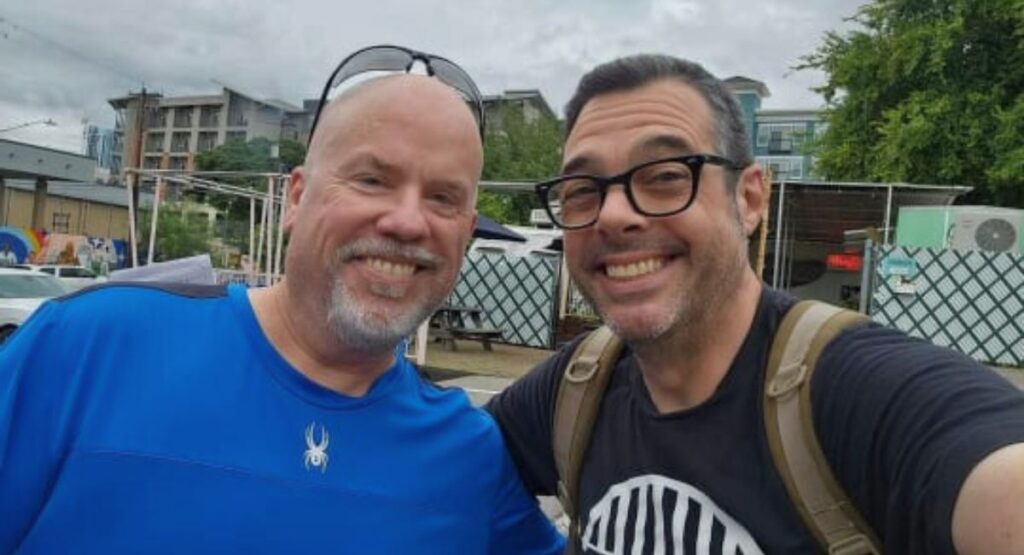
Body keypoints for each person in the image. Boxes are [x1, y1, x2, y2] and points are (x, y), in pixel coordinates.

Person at [0, 46, 564, 554]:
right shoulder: (86, 350)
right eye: (371, 180)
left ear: (466, 234)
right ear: (296, 198)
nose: (407, 221)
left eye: (442, 198)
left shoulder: (469, 457)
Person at [486, 53, 1024, 554]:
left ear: (748, 200)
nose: (613, 214)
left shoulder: (863, 394)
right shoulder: (574, 391)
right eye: (583, 188)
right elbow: (432, 466)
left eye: (667, 177)